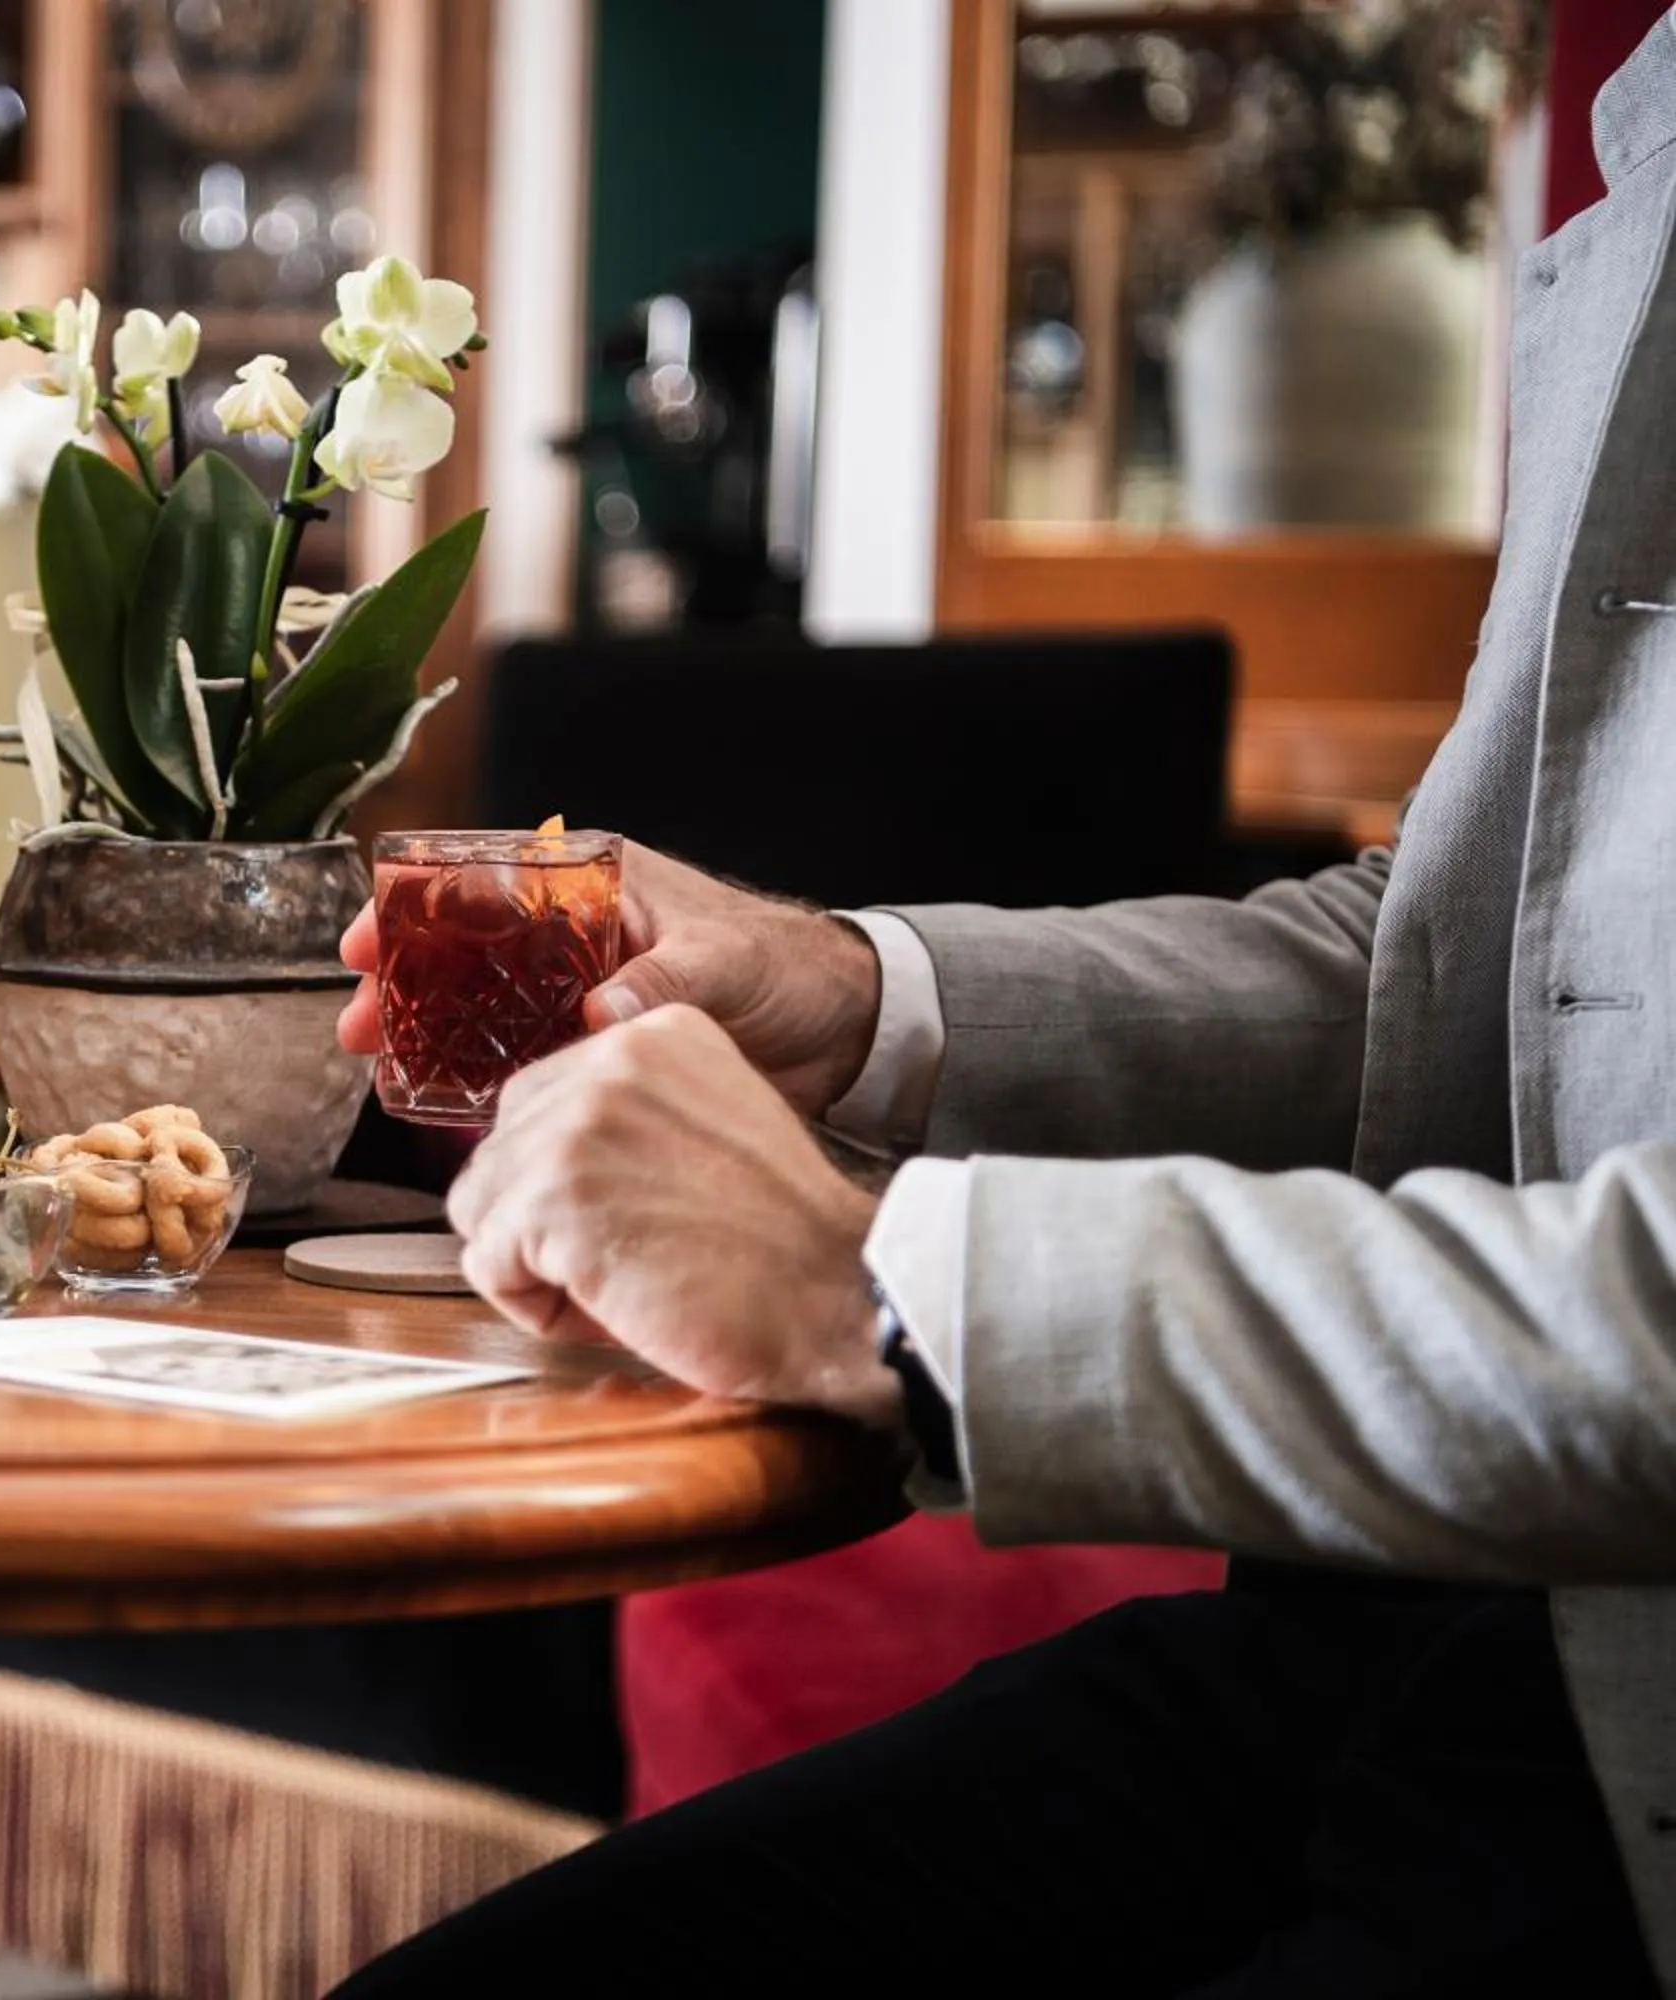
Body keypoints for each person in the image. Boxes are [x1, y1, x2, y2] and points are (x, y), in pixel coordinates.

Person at [329, 22, 1676, 2000]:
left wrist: (883, 1282)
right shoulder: (1633, 124)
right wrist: (852, 989)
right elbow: (1472, 966)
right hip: (1401, 1637)